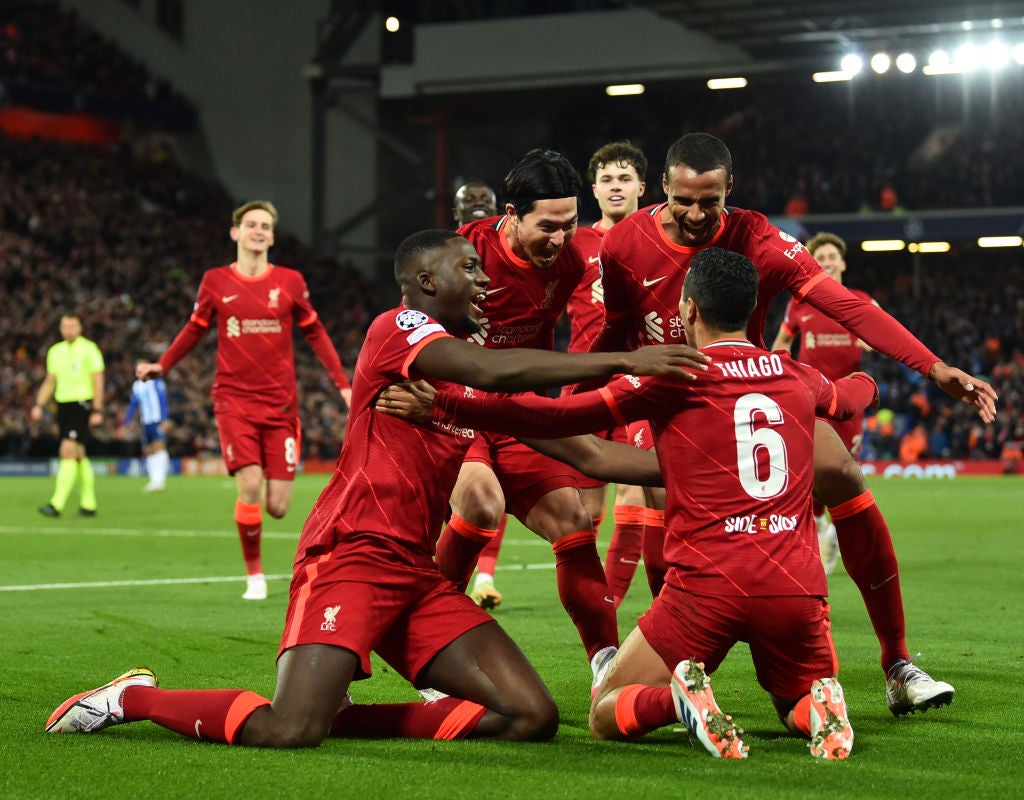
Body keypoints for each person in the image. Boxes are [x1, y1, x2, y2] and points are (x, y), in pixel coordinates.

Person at [44, 229, 704, 748]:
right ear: (424, 281)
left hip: (414, 574)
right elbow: (489, 368)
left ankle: (342, 719)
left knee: (529, 715)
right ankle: (132, 699)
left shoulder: (461, 388)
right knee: (288, 729)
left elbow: (585, 447)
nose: (482, 282)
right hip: (350, 557)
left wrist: (706, 471)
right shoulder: (398, 331)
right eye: (468, 271)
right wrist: (624, 359)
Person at [386, 248, 877, 759]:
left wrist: (449, 401)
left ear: (688, 309)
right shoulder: (797, 375)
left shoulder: (676, 375)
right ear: (755, 308)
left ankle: (674, 702)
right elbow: (848, 397)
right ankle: (820, 707)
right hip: (795, 588)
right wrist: (870, 385)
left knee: (606, 710)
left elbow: (572, 432)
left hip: (708, 587)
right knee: (790, 699)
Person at [589, 132, 997, 714]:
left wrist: (933, 367)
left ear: (731, 188)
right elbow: (612, 333)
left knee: (843, 473)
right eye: (685, 201)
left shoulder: (756, 235)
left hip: (750, 383)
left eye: (711, 201)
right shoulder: (626, 243)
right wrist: (579, 389)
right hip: (666, 394)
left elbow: (847, 305)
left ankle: (899, 665)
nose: (698, 214)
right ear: (665, 189)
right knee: (659, 493)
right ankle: (681, 669)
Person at [443, 149, 625, 692]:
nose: (561, 239)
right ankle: (432, 646)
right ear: (511, 213)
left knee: (573, 522)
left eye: (570, 225)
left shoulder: (568, 265)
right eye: (548, 226)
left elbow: (545, 342)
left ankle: (607, 664)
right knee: (481, 502)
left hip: (518, 413)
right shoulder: (461, 253)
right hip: (456, 409)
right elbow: (410, 334)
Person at [136, 200, 352, 601]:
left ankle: (264, 542)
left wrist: (342, 383)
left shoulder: (289, 281)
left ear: (271, 236)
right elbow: (194, 328)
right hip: (233, 400)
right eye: (251, 224)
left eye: (265, 226)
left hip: (281, 405)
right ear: (235, 233)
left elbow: (316, 333)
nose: (258, 231)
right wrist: (162, 366)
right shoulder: (215, 281)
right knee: (249, 482)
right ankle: (255, 576)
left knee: (279, 507)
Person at [565, 139, 662, 609]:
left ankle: (612, 607)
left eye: (625, 178)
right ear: (594, 188)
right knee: (586, 512)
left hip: (634, 383)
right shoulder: (572, 244)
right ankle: (596, 613)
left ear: (642, 186)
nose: (616, 186)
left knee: (638, 492)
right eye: (607, 179)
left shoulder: (658, 238)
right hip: (582, 383)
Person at [771, 232, 877, 574]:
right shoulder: (800, 302)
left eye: (833, 256)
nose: (828, 262)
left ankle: (830, 530)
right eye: (822, 257)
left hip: (847, 404)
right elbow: (782, 342)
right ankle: (816, 528)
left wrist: (868, 340)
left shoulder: (860, 300)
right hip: (810, 401)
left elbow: (880, 339)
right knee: (809, 473)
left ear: (843, 262)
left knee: (843, 475)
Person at [31, 314, 105, 518]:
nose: (69, 329)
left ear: (80, 327)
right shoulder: (56, 351)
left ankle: (57, 504)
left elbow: (97, 379)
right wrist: (39, 404)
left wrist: (97, 409)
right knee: (79, 455)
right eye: (65, 326)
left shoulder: (89, 349)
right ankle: (89, 504)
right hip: (62, 405)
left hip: (81, 403)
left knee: (67, 451)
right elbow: (50, 381)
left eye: (73, 325)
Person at [120, 360, 171, 492]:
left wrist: (165, 419)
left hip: (157, 419)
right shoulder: (137, 385)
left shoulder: (157, 382)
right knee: (151, 450)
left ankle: (160, 480)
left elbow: (163, 400)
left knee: (159, 446)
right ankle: (154, 480)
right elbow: (133, 405)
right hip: (145, 421)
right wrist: (126, 422)